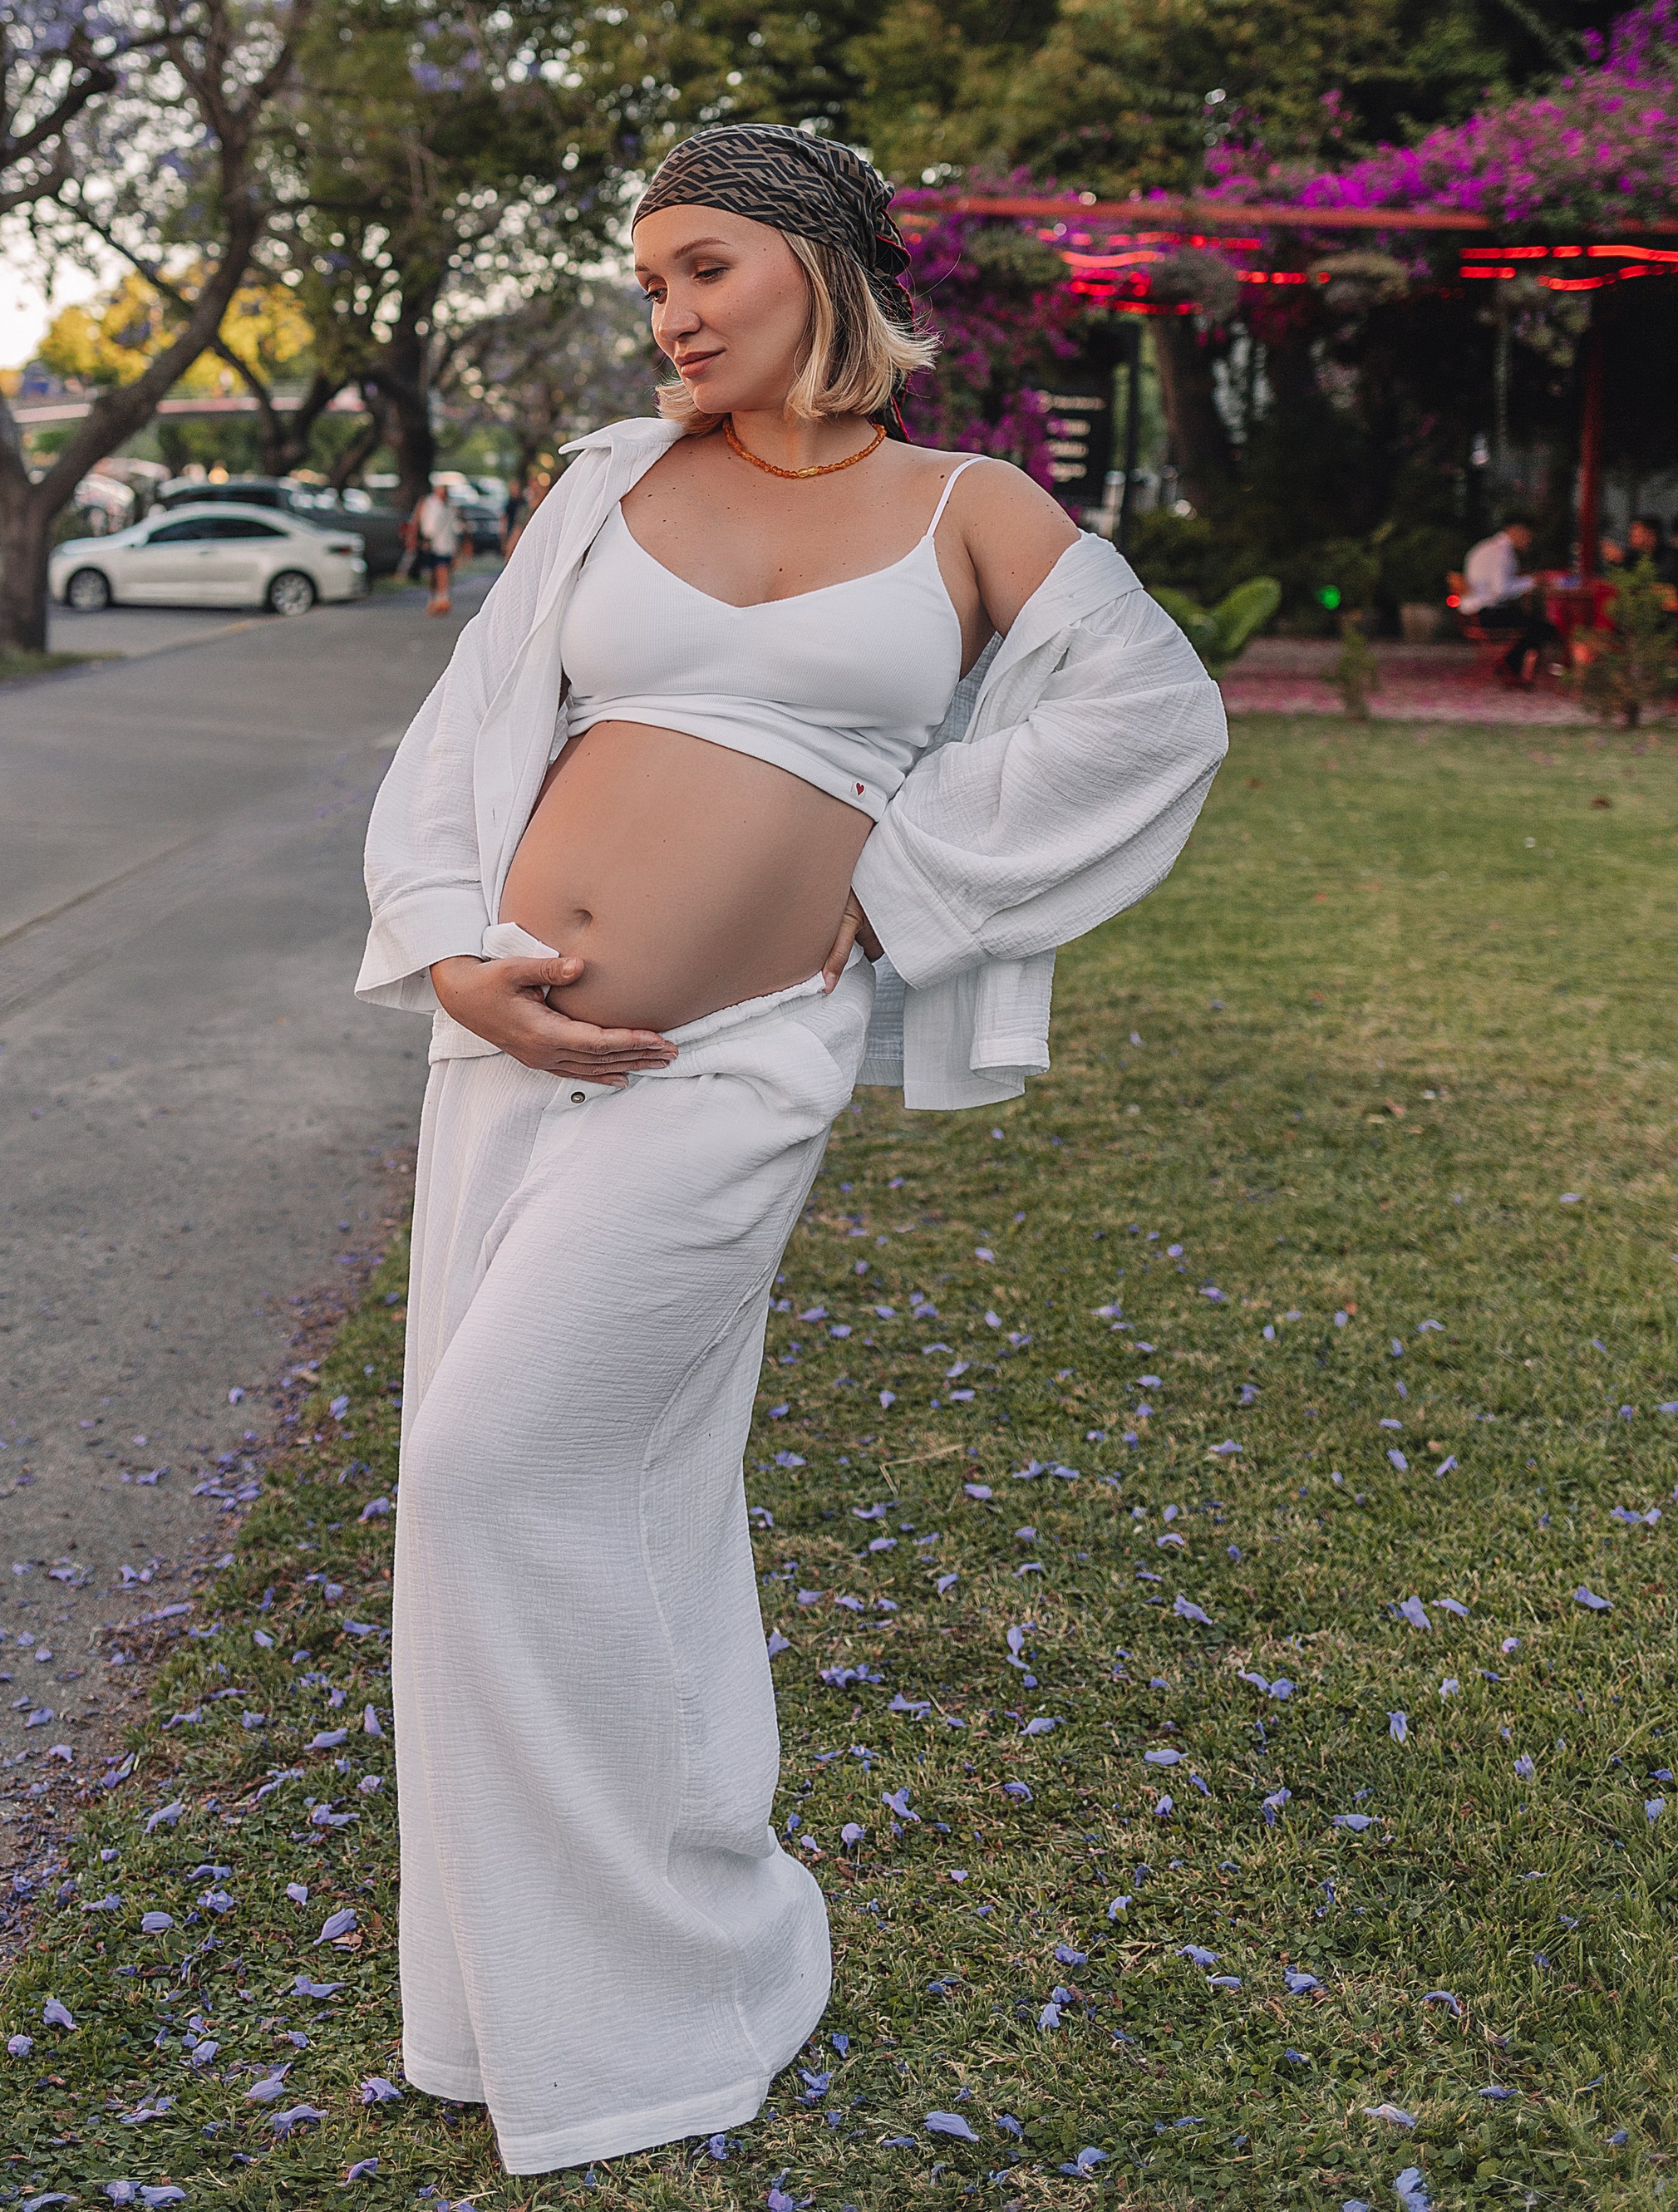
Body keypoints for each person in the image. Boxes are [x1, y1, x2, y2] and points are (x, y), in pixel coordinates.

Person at [357, 122, 1228, 2179]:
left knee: (493, 1465)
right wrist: (447, 955)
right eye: (647, 275)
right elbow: (458, 734)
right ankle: (537, 2000)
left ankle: (692, 1946)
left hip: (736, 1063)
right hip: (508, 1060)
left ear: (821, 268)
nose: (664, 311)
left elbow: (1151, 711)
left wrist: (912, 871)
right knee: (584, 1488)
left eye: (703, 267)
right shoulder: (606, 484)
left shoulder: (969, 502)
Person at [1462, 515, 1555, 686]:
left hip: (1473, 613)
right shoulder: (1501, 553)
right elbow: (1501, 591)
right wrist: (1531, 582)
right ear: (1516, 531)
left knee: (1532, 624)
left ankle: (1509, 666)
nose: (1529, 542)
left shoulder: (1486, 547)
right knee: (1542, 628)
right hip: (1487, 613)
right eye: (1528, 537)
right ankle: (1515, 670)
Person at [411, 480, 459, 617]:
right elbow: (422, 522)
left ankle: (443, 598)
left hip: (445, 544)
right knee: (433, 573)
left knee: (442, 569)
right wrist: (421, 539)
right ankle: (435, 598)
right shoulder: (429, 504)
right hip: (430, 542)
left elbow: (455, 527)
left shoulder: (450, 507)